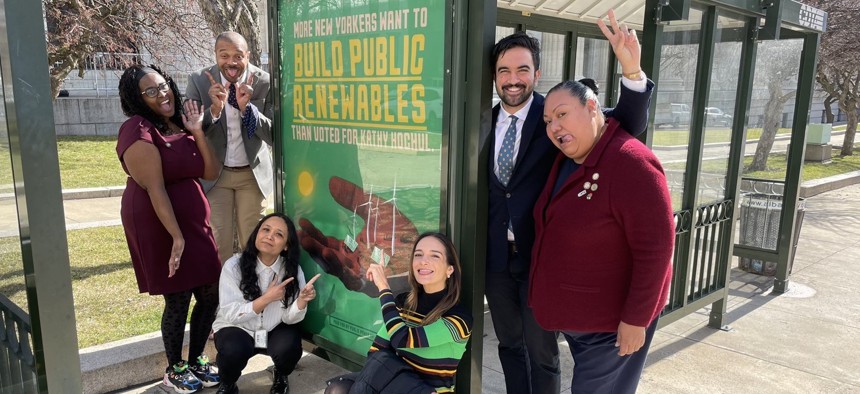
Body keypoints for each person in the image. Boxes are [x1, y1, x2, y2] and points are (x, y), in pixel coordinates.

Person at [485, 10, 655, 394]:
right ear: (495, 77)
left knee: (542, 350)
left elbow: (626, 121)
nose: (513, 79)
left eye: (522, 70)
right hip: (496, 259)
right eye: (504, 71)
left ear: (536, 73)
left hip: (541, 259)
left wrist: (632, 73)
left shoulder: (558, 115)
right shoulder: (480, 120)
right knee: (510, 345)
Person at [530, 77, 674, 393]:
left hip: (611, 328)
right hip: (578, 319)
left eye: (562, 114)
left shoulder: (631, 162)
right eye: (548, 120)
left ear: (593, 106)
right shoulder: (568, 157)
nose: (554, 126)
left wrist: (637, 320)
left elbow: (656, 249)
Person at [116, 64, 222, 394]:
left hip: (192, 220)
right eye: (150, 90)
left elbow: (209, 170)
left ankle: (198, 359)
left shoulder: (175, 123)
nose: (161, 93)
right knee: (177, 297)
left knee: (210, 291)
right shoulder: (137, 130)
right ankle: (175, 368)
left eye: (162, 85)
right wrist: (176, 237)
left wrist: (198, 131)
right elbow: (155, 189)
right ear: (136, 98)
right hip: (158, 221)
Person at [324, 232, 473, 394]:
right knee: (337, 390)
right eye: (418, 255)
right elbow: (376, 350)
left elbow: (402, 339)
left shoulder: (459, 318)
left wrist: (383, 287)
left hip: (429, 390)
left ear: (450, 269)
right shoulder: (404, 303)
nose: (424, 261)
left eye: (435, 256)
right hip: (392, 382)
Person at [186, 31, 275, 264]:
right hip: (216, 176)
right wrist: (214, 110)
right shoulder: (198, 80)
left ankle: (254, 296)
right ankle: (224, 299)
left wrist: (248, 110)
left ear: (247, 55)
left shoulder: (264, 81)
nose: (231, 62)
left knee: (255, 244)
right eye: (224, 55)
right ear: (215, 55)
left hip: (252, 175)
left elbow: (274, 135)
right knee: (220, 244)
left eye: (238, 55)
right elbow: (191, 131)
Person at [212, 213, 321, 394]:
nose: (270, 236)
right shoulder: (233, 266)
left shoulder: (292, 270)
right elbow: (230, 313)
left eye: (279, 234)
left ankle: (280, 373)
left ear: (286, 246)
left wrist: (301, 301)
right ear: (257, 234)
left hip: (273, 327)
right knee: (233, 350)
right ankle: (228, 382)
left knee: (289, 348)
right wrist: (267, 298)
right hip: (238, 326)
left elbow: (289, 318)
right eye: (266, 229)